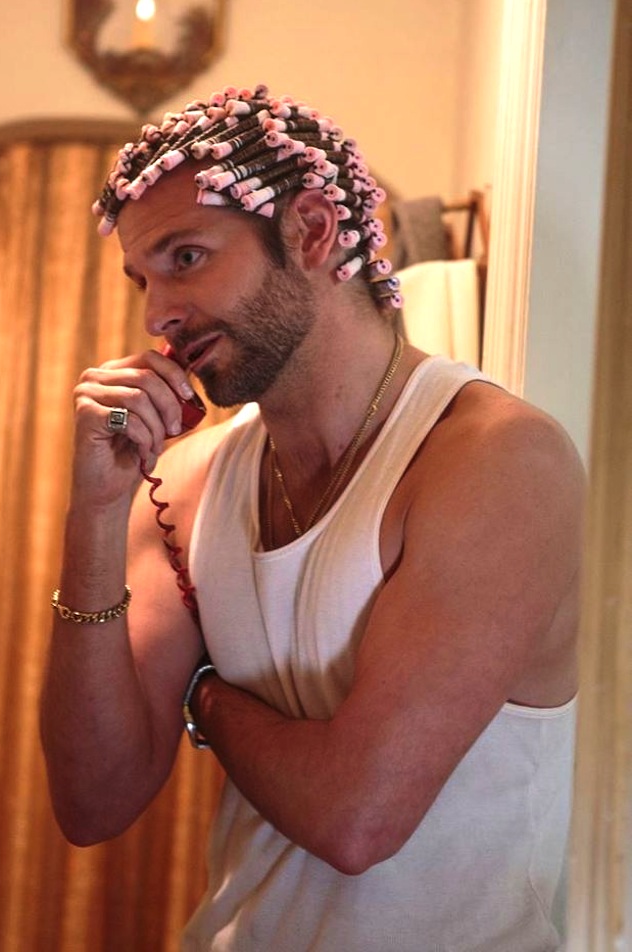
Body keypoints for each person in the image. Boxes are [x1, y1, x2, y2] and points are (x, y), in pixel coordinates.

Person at [40, 84, 584, 951]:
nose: (155, 314)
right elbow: (91, 804)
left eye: (186, 257)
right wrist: (95, 516)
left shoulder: (495, 460)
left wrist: (202, 694)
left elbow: (356, 820)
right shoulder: (185, 483)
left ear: (313, 230)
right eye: (142, 278)